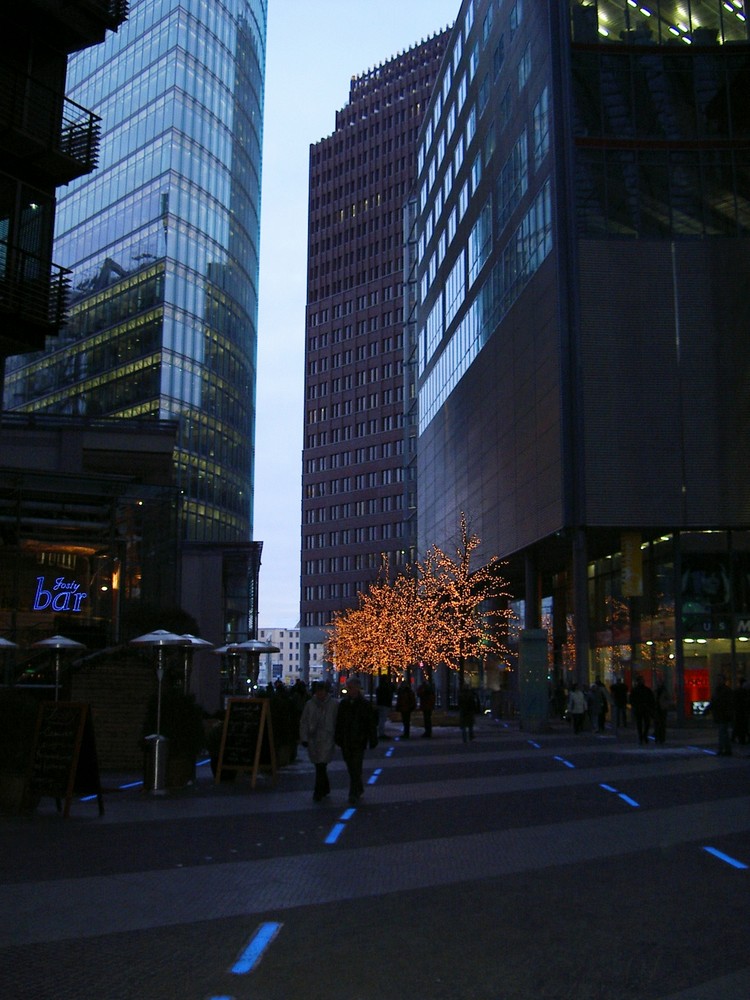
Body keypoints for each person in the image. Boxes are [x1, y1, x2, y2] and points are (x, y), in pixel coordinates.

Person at [335, 676, 378, 804]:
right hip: (346, 740)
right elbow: (339, 722)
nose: (349, 690)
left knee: (356, 767)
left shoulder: (364, 705)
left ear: (357, 688)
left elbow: (370, 723)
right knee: (351, 766)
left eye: (351, 687)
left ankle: (353, 793)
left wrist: (372, 738)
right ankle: (358, 787)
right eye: (348, 687)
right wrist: (338, 737)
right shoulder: (344, 704)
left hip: (359, 740)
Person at [298, 681, 338, 802]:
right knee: (319, 765)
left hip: (327, 738)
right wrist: (304, 737)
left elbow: (337, 721)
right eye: (318, 691)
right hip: (314, 738)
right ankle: (325, 787)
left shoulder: (333, 705)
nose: (320, 694)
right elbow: (304, 721)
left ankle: (318, 791)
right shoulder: (310, 704)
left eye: (322, 691)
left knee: (321, 764)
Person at [708, 673, 734, 756]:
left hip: (723, 714)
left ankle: (723, 749)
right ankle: (726, 749)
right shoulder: (720, 690)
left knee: (722, 733)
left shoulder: (723, 690)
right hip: (722, 714)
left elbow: (717, 702)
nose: (718, 681)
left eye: (719, 679)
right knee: (724, 733)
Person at [630, 674, 656, 746]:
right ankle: (643, 736)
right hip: (642, 708)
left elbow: (632, 700)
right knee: (643, 724)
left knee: (643, 724)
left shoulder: (640, 690)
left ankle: (642, 736)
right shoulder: (643, 690)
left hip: (642, 709)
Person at [375, 673, 394, 739]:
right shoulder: (386, 687)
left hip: (381, 704)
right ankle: (381, 733)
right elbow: (388, 695)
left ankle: (381, 732)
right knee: (382, 719)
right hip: (385, 704)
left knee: (381, 719)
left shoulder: (380, 687)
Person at [654, 679, 669, 744]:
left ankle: (661, 738)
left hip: (662, 709)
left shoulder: (664, 691)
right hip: (658, 708)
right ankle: (658, 737)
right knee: (658, 724)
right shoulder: (656, 691)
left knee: (662, 724)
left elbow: (667, 699)